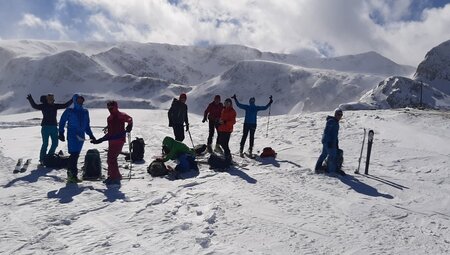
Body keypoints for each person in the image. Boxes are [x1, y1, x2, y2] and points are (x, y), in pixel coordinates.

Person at [91, 101, 133, 185]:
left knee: (112, 158)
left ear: (115, 106)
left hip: (119, 139)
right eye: (108, 107)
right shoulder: (109, 118)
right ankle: (112, 175)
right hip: (111, 140)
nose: (110, 108)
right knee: (110, 159)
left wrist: (129, 125)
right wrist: (100, 140)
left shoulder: (121, 115)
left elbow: (129, 119)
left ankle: (115, 177)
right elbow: (110, 132)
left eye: (111, 107)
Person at [26, 93, 73, 165]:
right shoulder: (43, 106)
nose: (50, 100)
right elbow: (34, 106)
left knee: (55, 143)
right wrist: (30, 99)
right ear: (46, 100)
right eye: (49, 99)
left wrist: (73, 100)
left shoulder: (55, 106)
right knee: (45, 144)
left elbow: (65, 105)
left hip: (53, 127)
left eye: (51, 99)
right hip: (45, 127)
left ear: (53, 100)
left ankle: (49, 157)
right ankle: (42, 159)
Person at [59, 94, 96, 183]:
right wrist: (61, 133)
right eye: (78, 100)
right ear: (75, 100)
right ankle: (72, 176)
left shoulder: (85, 112)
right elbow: (62, 121)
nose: (80, 101)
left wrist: (91, 135)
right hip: (72, 135)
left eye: (81, 100)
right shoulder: (69, 111)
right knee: (74, 155)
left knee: (75, 155)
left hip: (81, 137)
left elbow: (87, 125)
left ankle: (72, 175)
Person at [314, 108, 345, 176]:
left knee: (324, 154)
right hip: (329, 142)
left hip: (329, 142)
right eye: (338, 114)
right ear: (335, 114)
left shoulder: (335, 122)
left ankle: (318, 168)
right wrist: (328, 142)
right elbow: (327, 132)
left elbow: (334, 135)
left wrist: (336, 143)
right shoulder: (331, 121)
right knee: (332, 156)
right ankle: (330, 171)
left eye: (341, 115)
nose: (340, 116)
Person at [217, 98, 236, 164]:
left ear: (230, 104)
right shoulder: (223, 110)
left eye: (228, 103)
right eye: (225, 103)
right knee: (222, 143)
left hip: (227, 130)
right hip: (222, 129)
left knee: (225, 144)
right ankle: (227, 156)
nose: (226, 104)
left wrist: (225, 122)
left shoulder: (232, 111)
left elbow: (233, 121)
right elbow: (222, 118)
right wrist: (219, 122)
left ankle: (228, 157)